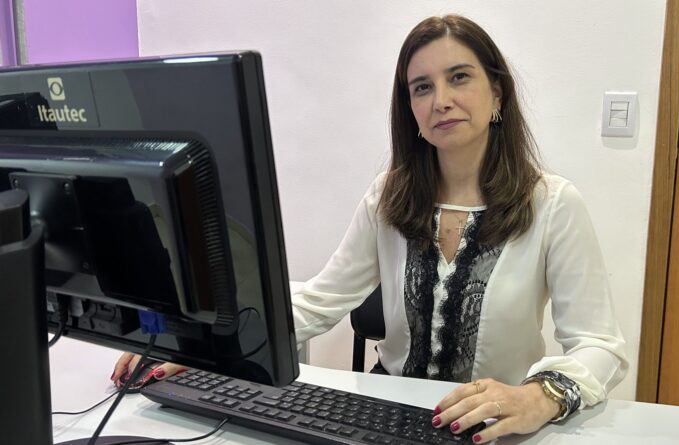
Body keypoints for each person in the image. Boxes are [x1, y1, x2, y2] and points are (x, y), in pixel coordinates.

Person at [112, 14, 627, 443]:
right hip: (391, 418)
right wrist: (201, 344)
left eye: (459, 78)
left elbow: (599, 343)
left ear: (497, 94)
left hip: (497, 426)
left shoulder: (552, 204)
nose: (440, 100)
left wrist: (540, 396)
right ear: (410, 110)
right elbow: (319, 301)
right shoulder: (389, 196)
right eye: (422, 87)